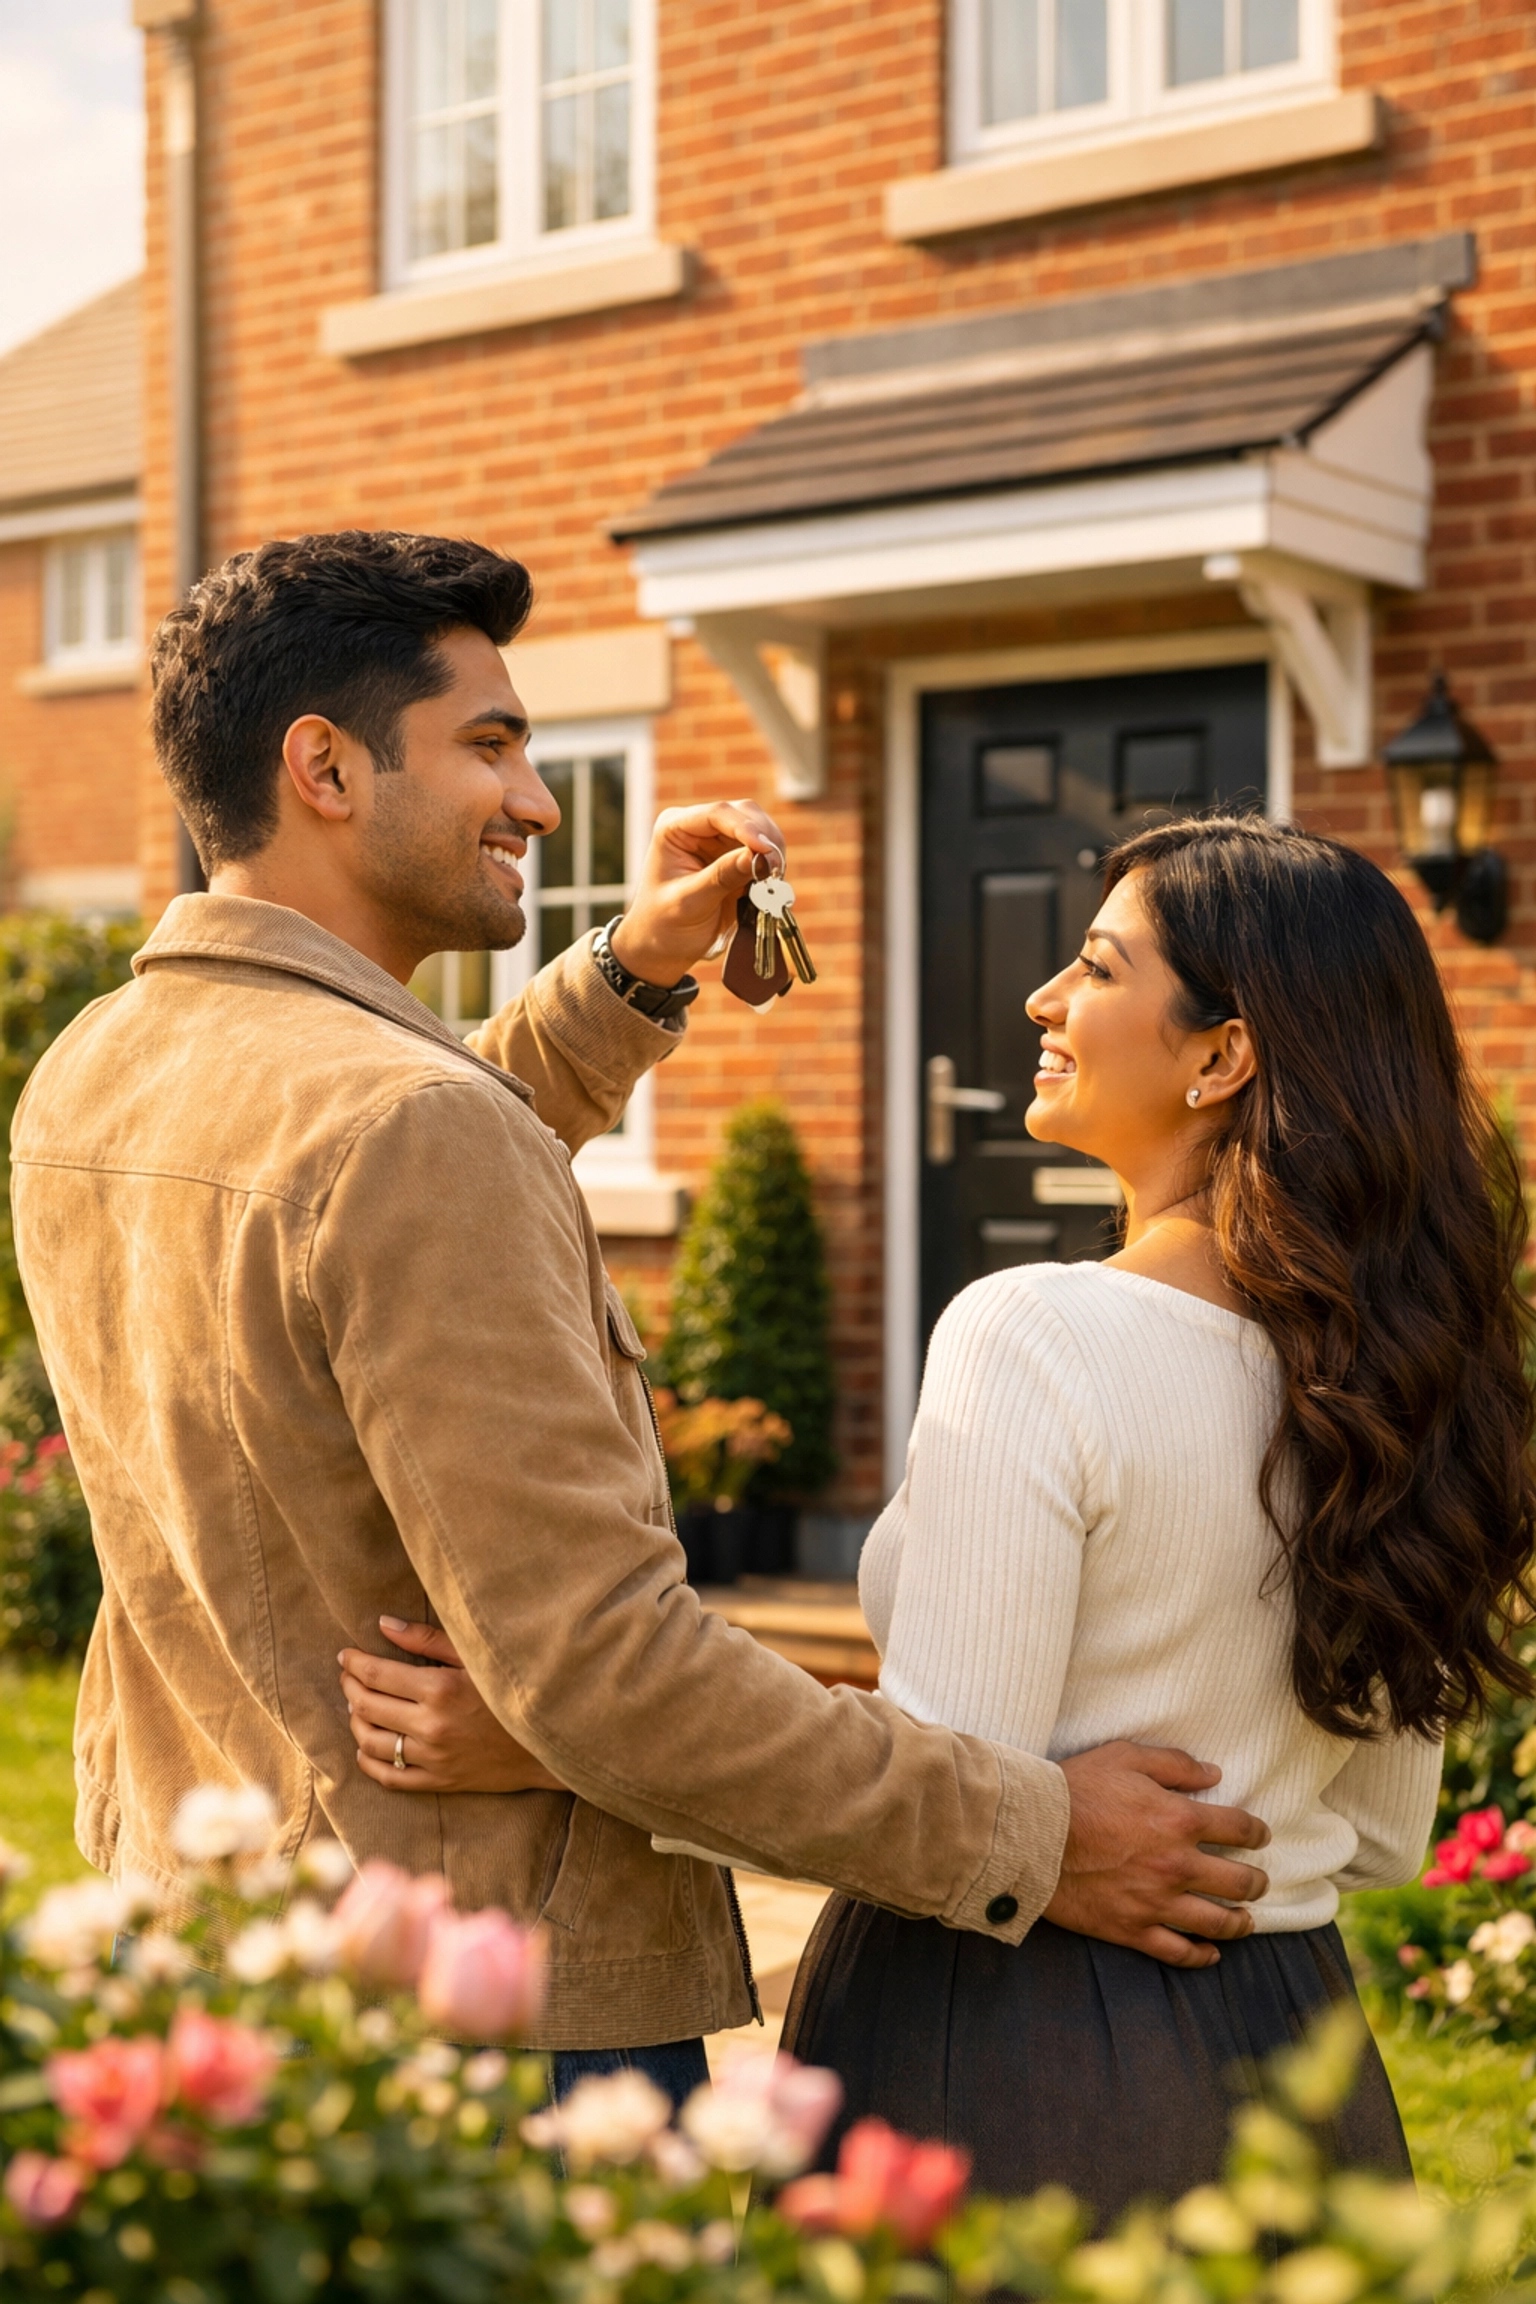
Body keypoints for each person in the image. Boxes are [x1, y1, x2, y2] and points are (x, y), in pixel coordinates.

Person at [11, 532, 1271, 2116]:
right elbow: (609, 1669)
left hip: (224, 1947)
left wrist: (632, 967)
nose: (538, 802)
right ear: (322, 769)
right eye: (490, 746)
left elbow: (370, 1168)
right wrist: (1037, 1835)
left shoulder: (104, 1067)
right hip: (495, 2013)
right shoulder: (402, 1133)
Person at [772, 817, 1536, 2210]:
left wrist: (580, 1743)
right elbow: (1378, 1833)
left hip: (1000, 2057)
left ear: (1221, 1057)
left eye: (1096, 966)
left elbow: (943, 1791)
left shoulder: (1032, 1333)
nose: (1041, 998)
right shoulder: (1401, 1383)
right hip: (1298, 2049)